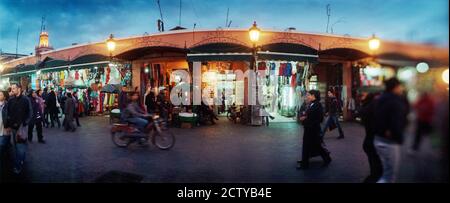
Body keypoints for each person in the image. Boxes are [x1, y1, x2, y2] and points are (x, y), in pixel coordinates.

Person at [373, 78, 407, 183]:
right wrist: (398, 137)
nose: (401, 88)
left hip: (378, 139)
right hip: (389, 142)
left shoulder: (380, 99)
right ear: (395, 87)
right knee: (389, 176)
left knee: (387, 172)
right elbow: (395, 122)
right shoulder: (395, 101)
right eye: (400, 86)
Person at [297, 90, 332, 170]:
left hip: (313, 129)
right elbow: (308, 115)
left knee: (311, 145)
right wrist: (305, 117)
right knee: (314, 145)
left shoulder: (317, 105)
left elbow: (318, 118)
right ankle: (305, 161)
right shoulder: (312, 104)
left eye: (309, 95)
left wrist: (304, 119)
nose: (307, 96)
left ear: (313, 96)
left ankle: (305, 164)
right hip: (310, 128)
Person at [6, 83, 32, 174]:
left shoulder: (26, 99)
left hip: (22, 128)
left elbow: (30, 113)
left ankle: (18, 166)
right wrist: (8, 125)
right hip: (13, 128)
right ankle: (22, 160)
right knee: (17, 147)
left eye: (14, 88)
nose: (12, 90)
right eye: (11, 88)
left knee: (20, 147)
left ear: (19, 89)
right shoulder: (10, 100)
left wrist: (25, 123)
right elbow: (8, 113)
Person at [358, 91, 382, 183]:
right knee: (376, 166)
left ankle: (373, 177)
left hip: (370, 141)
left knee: (375, 165)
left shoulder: (368, 107)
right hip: (373, 141)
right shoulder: (373, 106)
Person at [0, 90, 11, 180]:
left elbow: (11, 116)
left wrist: (10, 126)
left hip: (4, 131)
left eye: (0, 95)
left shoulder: (8, 105)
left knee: (2, 148)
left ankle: (5, 169)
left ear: (4, 96)